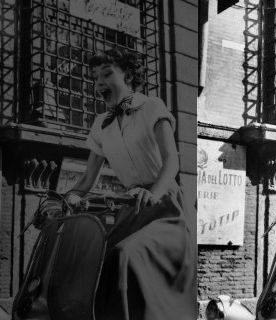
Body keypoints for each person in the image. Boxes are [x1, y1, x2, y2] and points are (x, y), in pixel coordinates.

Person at [65, 48, 197, 320]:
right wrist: (66, 198)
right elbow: (88, 179)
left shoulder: (152, 107)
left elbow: (171, 161)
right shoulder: (101, 124)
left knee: (124, 255)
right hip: (131, 209)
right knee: (93, 258)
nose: (98, 82)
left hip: (165, 208)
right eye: (95, 77)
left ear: (128, 75)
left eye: (107, 74)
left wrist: (152, 193)